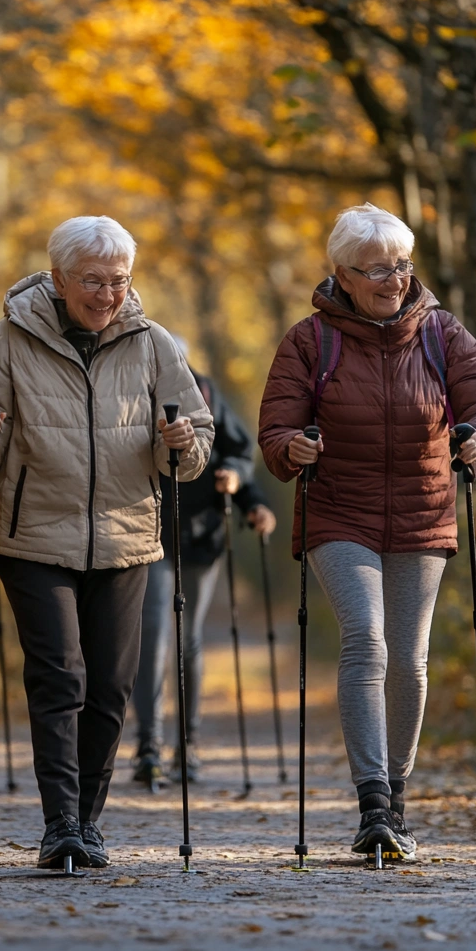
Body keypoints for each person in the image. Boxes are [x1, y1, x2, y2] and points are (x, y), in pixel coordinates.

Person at [0, 216, 214, 869]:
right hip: (33, 533)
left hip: (126, 537)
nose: (107, 294)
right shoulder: (4, 343)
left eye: (118, 280)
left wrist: (180, 447)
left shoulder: (154, 345)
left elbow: (196, 441)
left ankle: (89, 820)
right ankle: (59, 821)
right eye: (92, 281)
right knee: (60, 675)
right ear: (59, 279)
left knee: (112, 686)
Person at [258, 203, 476, 860]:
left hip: (424, 514)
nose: (394, 280)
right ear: (341, 273)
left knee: (410, 658)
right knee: (366, 640)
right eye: (376, 270)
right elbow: (276, 430)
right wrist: (294, 449)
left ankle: (397, 796)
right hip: (341, 513)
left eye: (401, 266)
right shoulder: (311, 341)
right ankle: (372, 802)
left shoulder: (442, 334)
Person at [131, 337, 278, 788]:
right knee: (154, 634)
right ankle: (150, 745)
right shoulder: (132, 395)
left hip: (200, 537)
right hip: (148, 535)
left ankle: (187, 744)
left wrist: (246, 493)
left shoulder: (206, 393)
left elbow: (237, 451)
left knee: (188, 639)